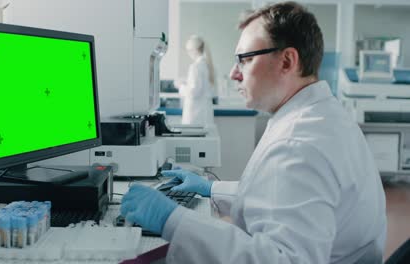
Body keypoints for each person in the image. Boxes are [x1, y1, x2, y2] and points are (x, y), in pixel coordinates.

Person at [120, 2, 387, 263]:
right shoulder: (319, 116)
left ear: (286, 61)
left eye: (245, 60)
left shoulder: (300, 143)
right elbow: (286, 199)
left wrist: (172, 220)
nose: (234, 73)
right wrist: (210, 189)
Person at [176, 35, 215, 126]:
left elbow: (193, 92)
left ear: (193, 50)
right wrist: (187, 82)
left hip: (196, 114)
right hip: (205, 111)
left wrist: (180, 86)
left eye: (188, 51)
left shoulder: (195, 67)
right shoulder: (208, 65)